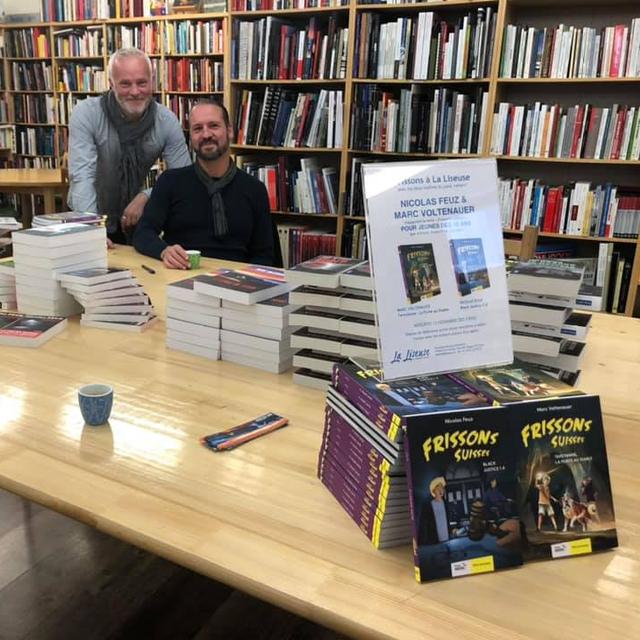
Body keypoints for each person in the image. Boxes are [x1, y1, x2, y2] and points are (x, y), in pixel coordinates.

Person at [67, 48, 191, 244]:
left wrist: (146, 196)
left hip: (136, 220)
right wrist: (91, 230)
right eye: (125, 84)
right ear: (111, 84)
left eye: (142, 83)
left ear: (152, 81)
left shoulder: (166, 121)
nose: (135, 92)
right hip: (89, 214)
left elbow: (184, 178)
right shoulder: (86, 114)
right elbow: (82, 176)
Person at [133, 100, 274, 268]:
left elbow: (265, 254)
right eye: (198, 128)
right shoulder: (170, 182)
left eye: (213, 126)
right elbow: (143, 233)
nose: (206, 135)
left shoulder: (254, 189)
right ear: (190, 138)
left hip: (237, 284)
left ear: (229, 131)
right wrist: (164, 251)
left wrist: (247, 281)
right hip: (181, 276)